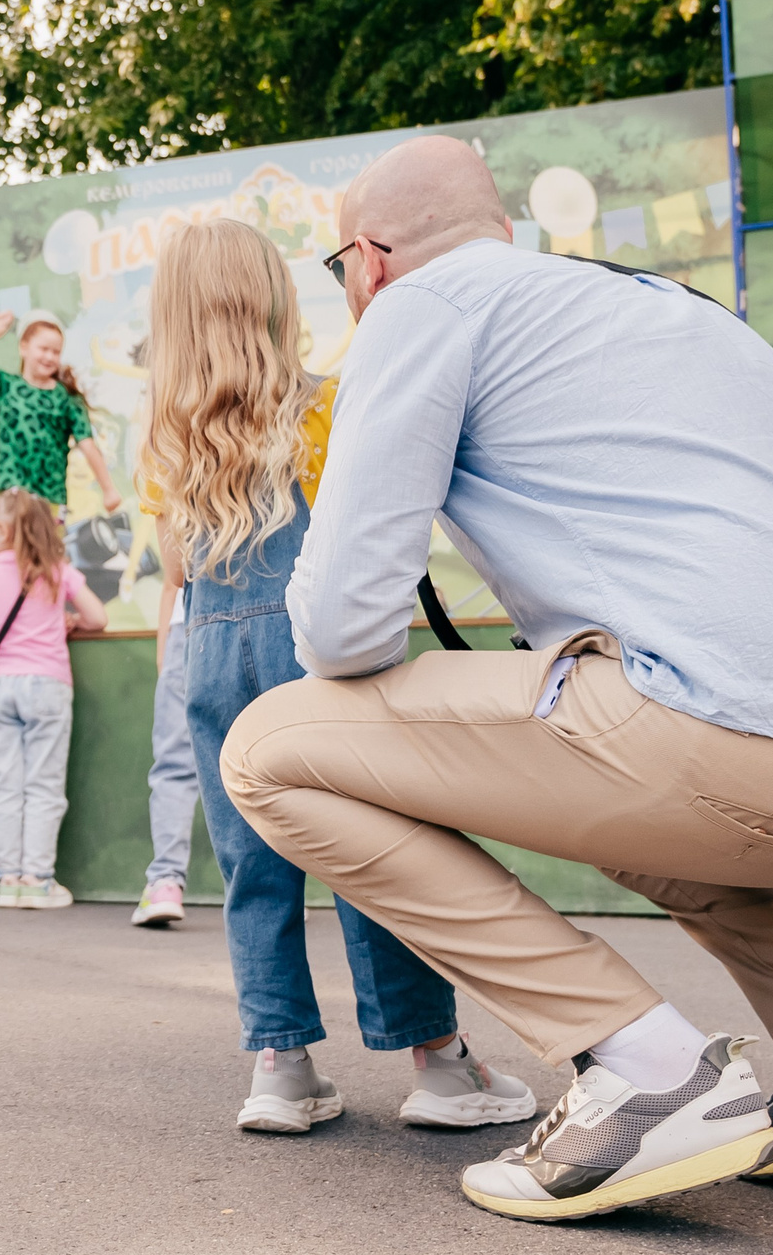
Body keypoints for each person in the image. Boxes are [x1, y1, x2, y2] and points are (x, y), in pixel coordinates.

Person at [219, 135, 773, 1222]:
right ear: (500, 229)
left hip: (734, 743)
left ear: (370, 259)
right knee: (614, 753)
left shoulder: (418, 305)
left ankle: (643, 1067)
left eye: (339, 267)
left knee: (268, 748)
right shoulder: (668, 306)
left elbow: (344, 629)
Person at [140, 217, 535, 1136]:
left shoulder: (167, 439)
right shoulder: (325, 405)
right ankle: (438, 1063)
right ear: (275, 301)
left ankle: (280, 1069)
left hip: (210, 659)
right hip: (315, 654)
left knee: (252, 866)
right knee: (373, 851)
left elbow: (178, 570)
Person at [0, 488, 106, 910]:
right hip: (47, 684)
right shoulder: (56, 569)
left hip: (1, 686)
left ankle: (9, 879)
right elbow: (98, 617)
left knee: (4, 787)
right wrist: (69, 620)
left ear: (3, 530)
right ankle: (38, 879)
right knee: (44, 786)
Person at [0, 311, 123, 514]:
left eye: (56, 352)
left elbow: (87, 445)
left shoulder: (67, 399)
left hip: (49, 502)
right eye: (44, 349)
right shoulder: (6, 387)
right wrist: (0, 329)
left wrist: (109, 490)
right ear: (23, 347)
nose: (49, 357)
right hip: (9, 501)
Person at [131, 579, 197, 929]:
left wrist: (163, 656)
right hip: (269, 619)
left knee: (175, 766)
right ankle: (275, 890)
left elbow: (173, 578)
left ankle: (165, 883)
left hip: (193, 624)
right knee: (258, 764)